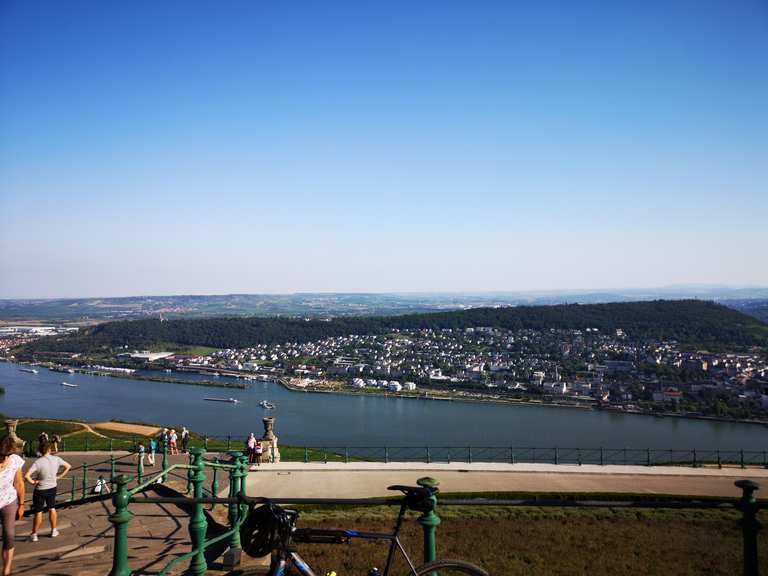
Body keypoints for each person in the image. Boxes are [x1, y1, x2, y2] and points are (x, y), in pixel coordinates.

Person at [24, 441, 70, 542]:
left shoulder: (38, 462)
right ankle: (53, 530)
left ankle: (34, 534)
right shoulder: (56, 459)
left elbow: (26, 476)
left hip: (40, 489)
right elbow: (68, 466)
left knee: (39, 511)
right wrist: (59, 476)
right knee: (52, 508)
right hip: (52, 487)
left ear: (40, 451)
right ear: (49, 449)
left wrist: (33, 482)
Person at [0, 436, 25, 576]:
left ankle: (6, 569)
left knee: (9, 535)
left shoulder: (15, 460)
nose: (4, 458)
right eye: (2, 455)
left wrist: (21, 504)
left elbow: (19, 483)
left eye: (7, 455)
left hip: (9, 501)